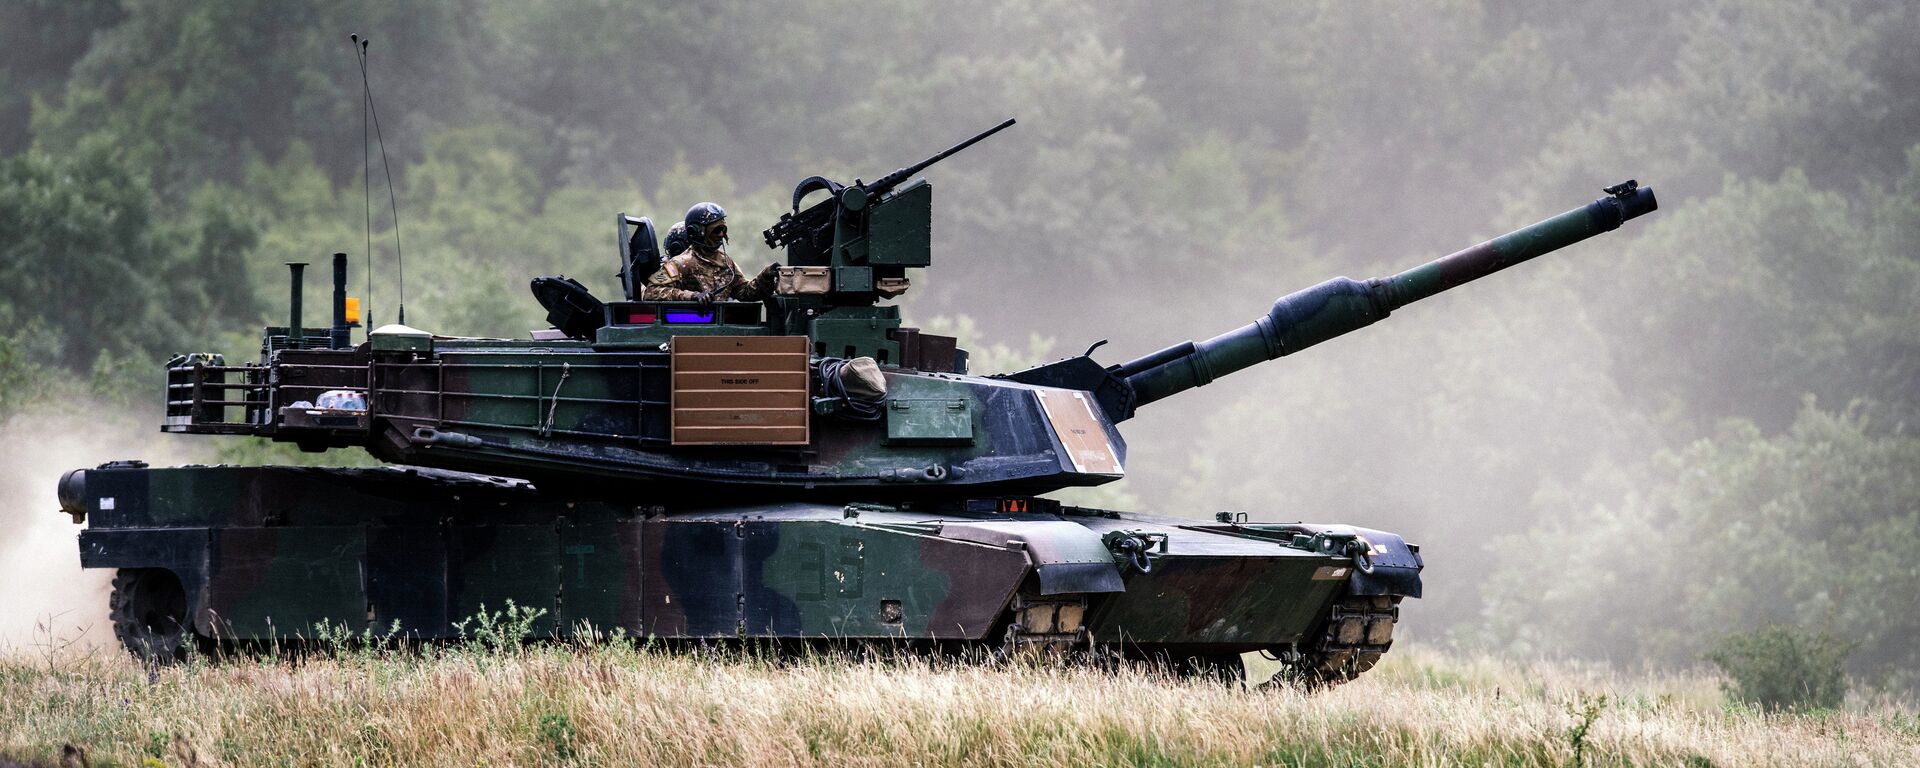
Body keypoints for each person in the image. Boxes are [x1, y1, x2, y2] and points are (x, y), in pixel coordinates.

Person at [642, 202, 778, 303]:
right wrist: (692, 296)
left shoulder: (726, 262)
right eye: (716, 230)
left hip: (720, 328)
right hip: (690, 326)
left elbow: (745, 293)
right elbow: (651, 292)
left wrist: (766, 275)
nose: (721, 235)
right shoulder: (680, 263)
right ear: (698, 232)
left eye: (724, 230)